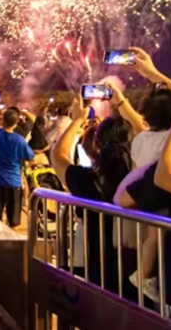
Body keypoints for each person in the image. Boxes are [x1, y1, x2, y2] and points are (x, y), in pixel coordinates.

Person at [51, 95, 132, 294]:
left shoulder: (88, 179)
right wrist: (122, 102)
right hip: (136, 269)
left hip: (100, 264)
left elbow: (57, 156)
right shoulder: (140, 176)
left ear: (96, 146)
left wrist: (78, 119)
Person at [0, 103, 35, 227]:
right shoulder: (19, 140)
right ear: (16, 123)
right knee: (14, 222)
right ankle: (12, 245)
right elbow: (31, 156)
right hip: (14, 182)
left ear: (2, 121)